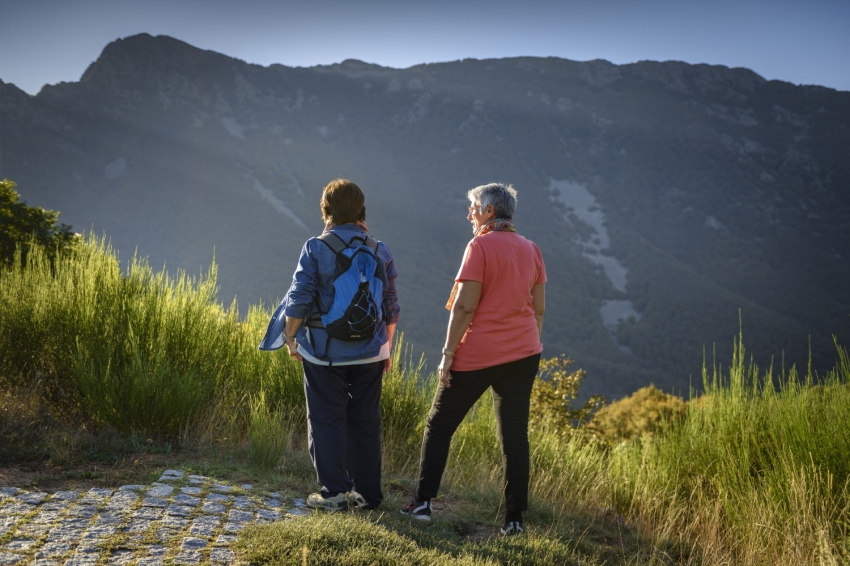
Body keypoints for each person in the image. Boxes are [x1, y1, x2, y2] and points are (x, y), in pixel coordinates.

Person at [400, 183, 545, 535]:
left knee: (439, 425)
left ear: (490, 211)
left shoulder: (479, 245)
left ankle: (422, 503)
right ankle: (514, 522)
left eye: (473, 208)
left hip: (478, 353)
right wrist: (525, 345)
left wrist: (448, 354)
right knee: (514, 438)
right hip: (524, 353)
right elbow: (538, 310)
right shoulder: (532, 249)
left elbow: (465, 305)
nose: (469, 214)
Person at [259, 178, 399, 512]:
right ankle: (369, 496)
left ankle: (334, 493)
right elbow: (390, 306)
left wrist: (290, 338)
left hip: (325, 354)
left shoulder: (316, 248)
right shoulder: (381, 250)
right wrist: (386, 349)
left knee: (326, 419)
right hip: (372, 352)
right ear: (361, 211)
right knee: (365, 421)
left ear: (326, 212)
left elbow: (300, 297)